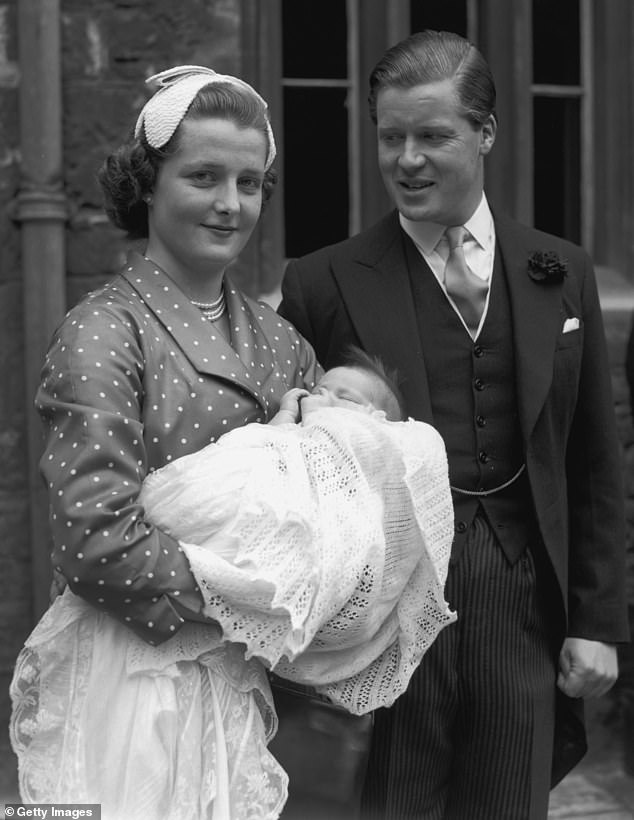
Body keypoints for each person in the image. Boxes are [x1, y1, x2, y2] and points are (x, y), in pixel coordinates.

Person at [278, 29, 630, 820]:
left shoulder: (562, 272)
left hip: (524, 605)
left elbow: (594, 464)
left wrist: (599, 622)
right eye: (390, 136)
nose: (406, 159)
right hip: (390, 617)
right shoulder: (322, 280)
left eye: (432, 136)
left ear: (486, 134)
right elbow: (293, 476)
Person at [10, 64, 324, 820]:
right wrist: (251, 598)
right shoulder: (104, 332)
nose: (229, 204)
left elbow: (327, 502)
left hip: (243, 684)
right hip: (127, 679)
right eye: (204, 177)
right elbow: (94, 541)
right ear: (148, 184)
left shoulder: (282, 346)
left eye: (249, 184)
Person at [11, 342, 457, 818]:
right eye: (316, 390)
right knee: (105, 775)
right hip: (155, 571)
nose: (316, 400)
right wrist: (284, 419)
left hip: (203, 604)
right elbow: (252, 462)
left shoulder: (363, 459)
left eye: (341, 397)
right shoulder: (288, 432)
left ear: (375, 423)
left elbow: (347, 538)